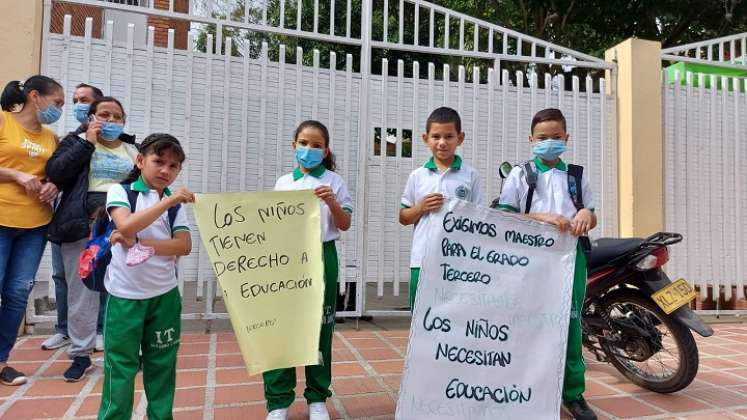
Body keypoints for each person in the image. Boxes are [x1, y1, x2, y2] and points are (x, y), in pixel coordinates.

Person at [494, 108, 597, 420]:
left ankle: (573, 394)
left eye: (556, 137)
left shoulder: (577, 176)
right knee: (526, 323)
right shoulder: (520, 175)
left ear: (566, 138)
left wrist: (586, 215)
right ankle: (523, 389)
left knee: (570, 324)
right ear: (531, 140)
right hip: (529, 259)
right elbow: (504, 215)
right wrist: (540, 217)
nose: (549, 143)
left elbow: (591, 214)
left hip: (569, 259)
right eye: (542, 138)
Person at [98, 133, 193, 420]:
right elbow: (126, 226)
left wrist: (142, 246)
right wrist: (167, 201)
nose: (166, 170)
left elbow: (183, 246)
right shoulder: (121, 192)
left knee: (162, 365)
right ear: (140, 161)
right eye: (159, 161)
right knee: (120, 366)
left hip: (164, 297)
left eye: (174, 166)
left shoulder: (175, 206)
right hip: (125, 297)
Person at [264, 120, 353, 420]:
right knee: (281, 328)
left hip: (321, 255)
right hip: (287, 258)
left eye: (316, 145)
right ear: (294, 146)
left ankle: (317, 398)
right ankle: (278, 401)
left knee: (320, 327)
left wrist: (331, 201)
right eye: (303, 143)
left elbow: (344, 223)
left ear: (326, 150)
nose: (309, 150)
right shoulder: (283, 183)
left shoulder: (334, 182)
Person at [46, 96, 138, 382]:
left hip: (122, 224)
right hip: (83, 224)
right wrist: (87, 140)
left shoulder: (134, 149)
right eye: (104, 115)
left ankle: (129, 351)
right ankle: (81, 355)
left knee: (127, 288)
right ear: (91, 117)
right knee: (81, 290)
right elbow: (56, 172)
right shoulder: (76, 142)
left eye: (116, 116)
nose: (110, 121)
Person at [0, 75, 63, 386]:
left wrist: (54, 185)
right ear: (35, 96)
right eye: (58, 103)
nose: (60, 110)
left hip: (35, 226)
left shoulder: (51, 138)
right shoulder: (3, 122)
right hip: (1, 219)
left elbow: (57, 173)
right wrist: (17, 175)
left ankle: (2, 362)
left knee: (16, 294)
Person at [42, 83, 108, 352]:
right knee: (62, 276)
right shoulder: (71, 139)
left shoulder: (112, 143)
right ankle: (64, 330)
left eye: (84, 100)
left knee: (99, 275)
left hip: (96, 219)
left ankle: (100, 329)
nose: (78, 105)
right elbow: (57, 171)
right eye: (75, 100)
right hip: (66, 218)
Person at [399, 107, 482, 311]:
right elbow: (404, 217)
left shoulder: (470, 175)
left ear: (460, 138)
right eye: (436, 136)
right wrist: (420, 207)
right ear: (425, 138)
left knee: (454, 315)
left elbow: (479, 218)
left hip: (458, 260)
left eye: (449, 136)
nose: (442, 142)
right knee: (421, 315)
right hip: (423, 259)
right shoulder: (417, 176)